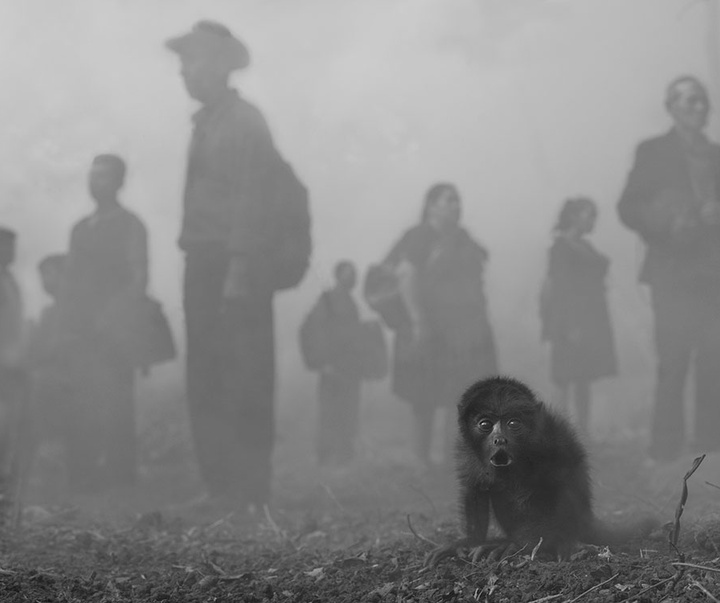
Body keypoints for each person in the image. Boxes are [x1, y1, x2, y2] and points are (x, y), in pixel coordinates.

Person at [166, 21, 286, 511]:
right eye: (181, 63)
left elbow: (253, 201)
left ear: (218, 64)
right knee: (207, 375)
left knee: (245, 375)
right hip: (205, 264)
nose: (184, 72)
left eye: (192, 61)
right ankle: (219, 486)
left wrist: (238, 271)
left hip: (235, 267)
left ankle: (249, 489)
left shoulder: (243, 121)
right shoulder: (207, 122)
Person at [617, 75, 720, 462]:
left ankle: (709, 449)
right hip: (672, 272)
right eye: (691, 101)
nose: (699, 108)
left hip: (713, 273)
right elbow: (628, 206)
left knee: (714, 360)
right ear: (672, 107)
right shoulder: (653, 152)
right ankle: (665, 450)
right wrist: (668, 220)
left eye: (703, 102)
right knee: (674, 361)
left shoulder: (717, 154)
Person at [382, 183, 498, 469]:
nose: (456, 206)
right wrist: (418, 321)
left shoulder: (462, 239)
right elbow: (406, 275)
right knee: (426, 392)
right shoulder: (419, 236)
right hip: (431, 326)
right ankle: (421, 459)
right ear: (431, 205)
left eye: (458, 200)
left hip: (464, 328)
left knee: (460, 392)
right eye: (449, 200)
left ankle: (451, 459)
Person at [61, 154, 148, 492]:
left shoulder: (131, 225)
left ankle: (120, 478)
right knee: (81, 400)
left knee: (116, 403)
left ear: (120, 182)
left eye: (105, 177)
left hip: (115, 331)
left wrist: (113, 316)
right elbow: (69, 282)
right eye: (92, 176)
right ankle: (82, 476)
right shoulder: (80, 229)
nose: (96, 183)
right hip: (80, 330)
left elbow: (139, 277)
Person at [539, 197, 617, 433]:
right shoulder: (561, 248)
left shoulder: (584, 246)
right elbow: (560, 289)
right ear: (573, 216)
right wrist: (569, 325)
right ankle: (558, 436)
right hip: (570, 322)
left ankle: (582, 433)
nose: (593, 220)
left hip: (589, 319)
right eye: (589, 214)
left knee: (583, 377)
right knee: (564, 378)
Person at [301, 261, 364, 468]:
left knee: (347, 411)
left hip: (348, 367)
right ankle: (325, 456)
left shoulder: (348, 300)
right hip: (332, 368)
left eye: (354, 274)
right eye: (348, 274)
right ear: (338, 276)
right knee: (330, 412)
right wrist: (322, 362)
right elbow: (314, 330)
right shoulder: (328, 299)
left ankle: (343, 454)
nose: (353, 278)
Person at [0, 228, 28, 516]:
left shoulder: (9, 280)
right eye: (6, 246)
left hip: (12, 364)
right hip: (3, 364)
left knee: (9, 427)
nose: (11, 252)